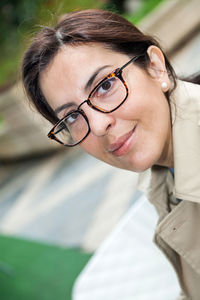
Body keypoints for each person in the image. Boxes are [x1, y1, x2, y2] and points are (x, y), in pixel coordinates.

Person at [21, 9, 200, 300]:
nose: (99, 125)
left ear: (156, 68)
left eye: (105, 85)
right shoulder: (166, 169)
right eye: (72, 117)